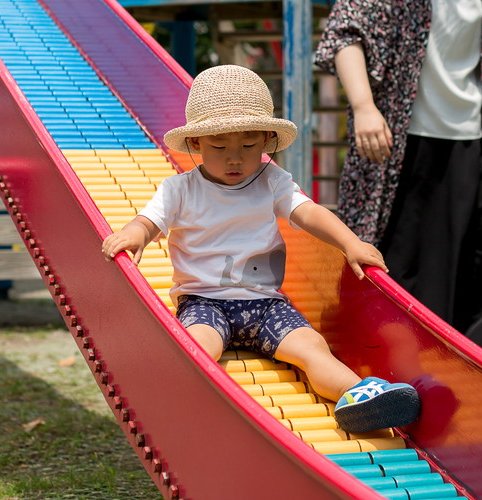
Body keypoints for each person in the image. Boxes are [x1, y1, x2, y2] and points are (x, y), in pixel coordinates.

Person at [102, 65, 420, 434]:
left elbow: (308, 212)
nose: (235, 158)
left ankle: (358, 395)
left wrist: (350, 242)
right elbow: (149, 221)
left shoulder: (271, 180)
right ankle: (187, 397)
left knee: (311, 346)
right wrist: (133, 234)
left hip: (266, 305)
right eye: (220, 147)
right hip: (204, 301)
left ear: (266, 141)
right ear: (196, 144)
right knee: (197, 345)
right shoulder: (179, 190)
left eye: (249, 146)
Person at [314, 0, 482, 359]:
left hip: (474, 142)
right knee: (419, 271)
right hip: (403, 145)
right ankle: (415, 369)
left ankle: (473, 363)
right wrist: (364, 106)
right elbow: (345, 34)